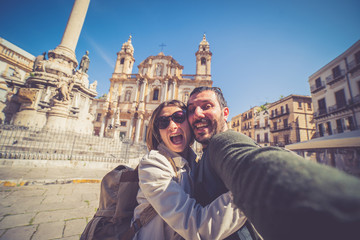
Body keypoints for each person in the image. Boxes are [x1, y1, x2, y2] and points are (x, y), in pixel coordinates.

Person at [187, 86, 360, 240]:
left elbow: (253, 166)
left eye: (206, 106)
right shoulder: (204, 153)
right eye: (191, 109)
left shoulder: (222, 142)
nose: (197, 114)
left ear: (225, 113)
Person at [133, 99, 247, 240]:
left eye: (179, 117)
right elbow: (195, 226)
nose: (172, 126)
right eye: (163, 122)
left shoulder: (195, 163)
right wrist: (248, 193)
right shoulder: (153, 164)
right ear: (158, 132)